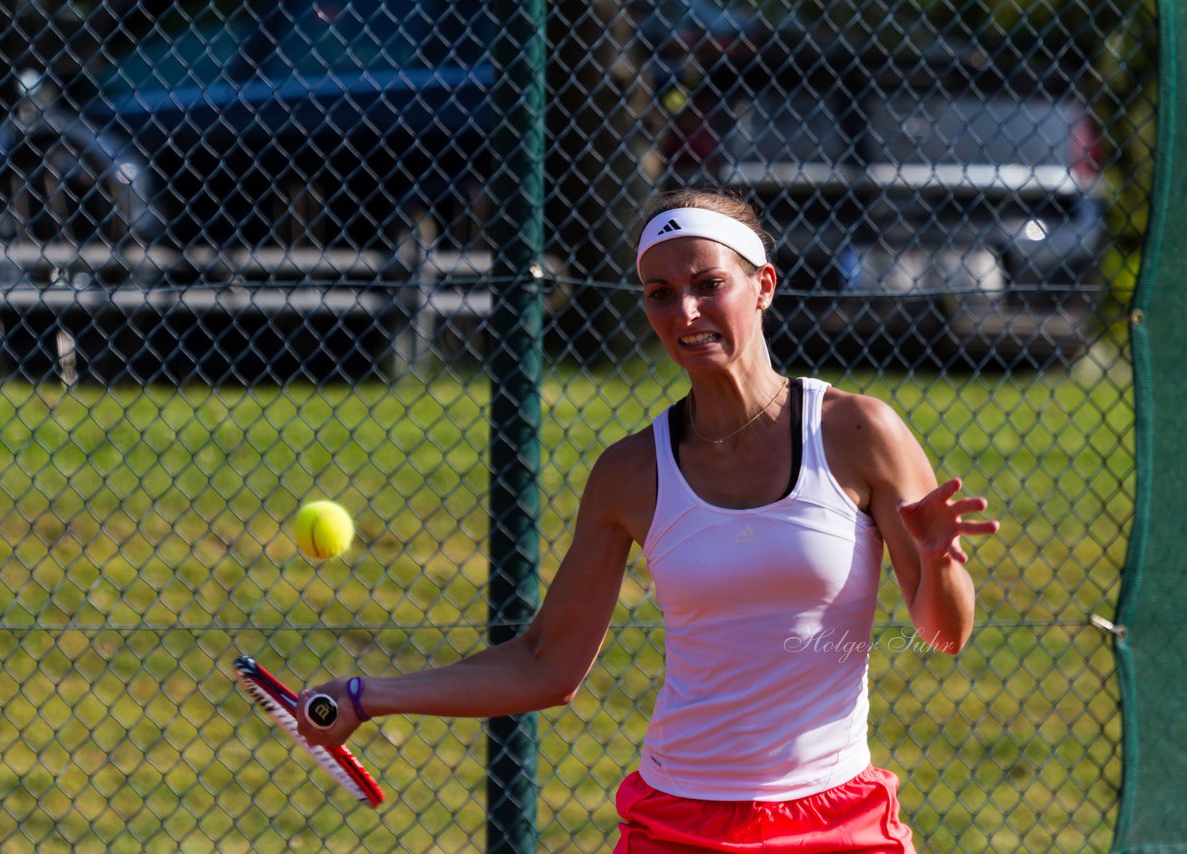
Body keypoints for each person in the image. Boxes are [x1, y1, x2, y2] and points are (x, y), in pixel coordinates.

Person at [298, 188, 999, 852]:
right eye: (660, 295)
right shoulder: (629, 473)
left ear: (764, 286)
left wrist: (937, 561)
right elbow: (548, 666)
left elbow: (944, 633)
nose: (685, 313)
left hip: (837, 815)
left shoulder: (857, 431)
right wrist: (368, 696)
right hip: (680, 819)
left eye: (706, 284)